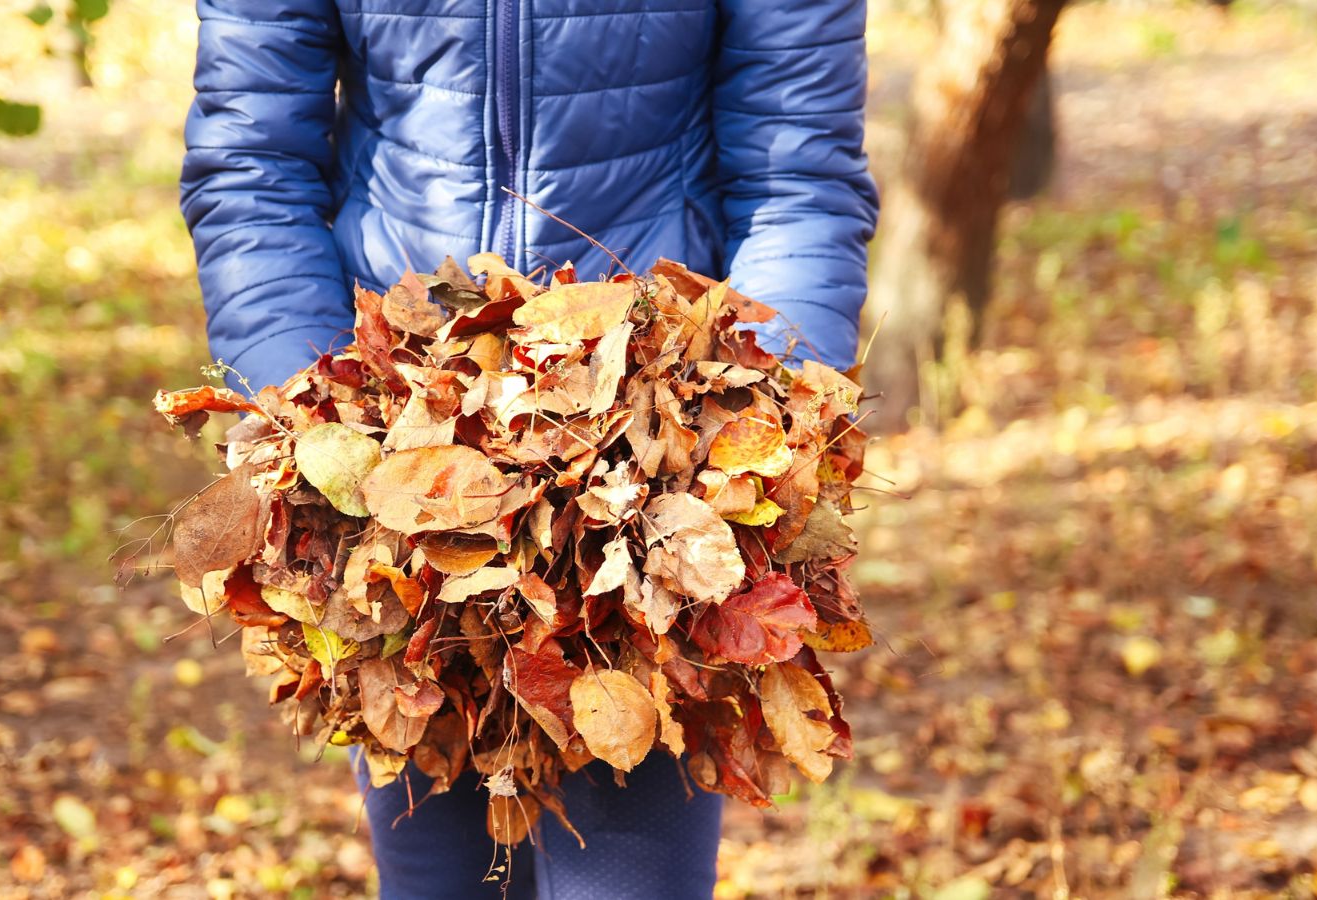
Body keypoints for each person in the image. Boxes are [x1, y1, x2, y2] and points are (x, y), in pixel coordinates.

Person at [179, 0, 877, 895]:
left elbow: (800, 176)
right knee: (442, 879)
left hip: (652, 480)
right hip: (396, 464)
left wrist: (755, 413)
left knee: (627, 868)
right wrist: (311, 415)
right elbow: (251, 166)